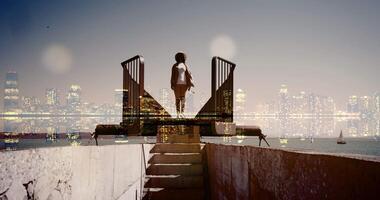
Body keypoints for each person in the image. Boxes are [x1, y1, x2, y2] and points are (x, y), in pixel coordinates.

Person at [171, 52, 194, 118]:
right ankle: (178, 113)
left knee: (183, 98)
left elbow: (188, 75)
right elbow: (172, 75)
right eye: (179, 57)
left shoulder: (185, 65)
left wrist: (189, 84)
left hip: (184, 84)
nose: (180, 58)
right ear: (177, 58)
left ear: (184, 58)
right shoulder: (174, 66)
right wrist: (172, 84)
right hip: (176, 84)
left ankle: (182, 113)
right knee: (177, 98)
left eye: (182, 57)